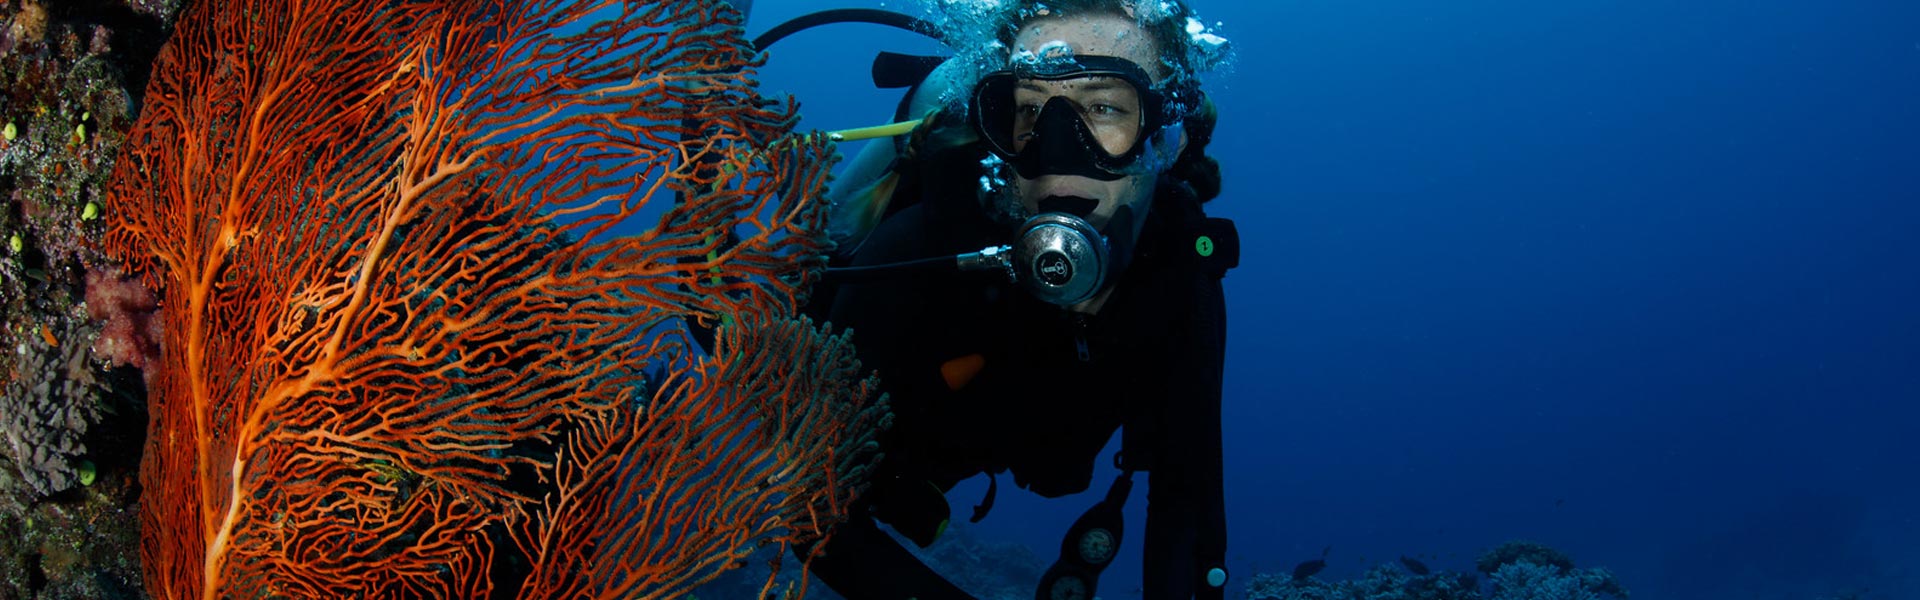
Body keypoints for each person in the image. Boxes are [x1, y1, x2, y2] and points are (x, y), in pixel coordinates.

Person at [796, 1, 1238, 599]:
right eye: (1031, 111)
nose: (1055, 153)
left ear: (1164, 133)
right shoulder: (923, 249)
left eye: (1104, 107)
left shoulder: (1180, 276)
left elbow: (1187, 505)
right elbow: (804, 504)